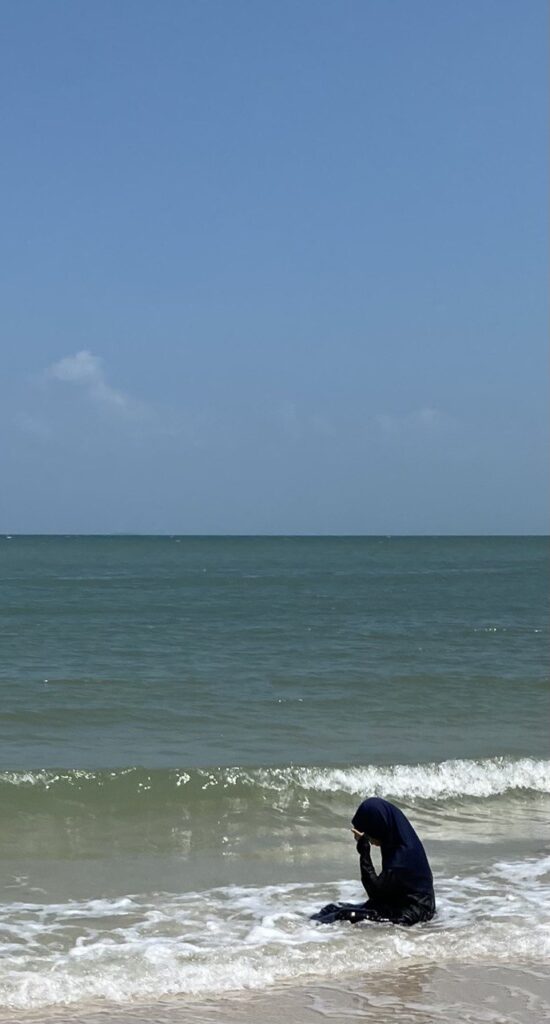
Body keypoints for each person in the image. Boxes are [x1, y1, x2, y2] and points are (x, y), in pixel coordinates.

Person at [311, 797, 436, 927]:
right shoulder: (396, 837)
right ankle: (305, 932)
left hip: (413, 912)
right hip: (395, 902)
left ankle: (314, 936)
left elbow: (375, 894)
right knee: (331, 909)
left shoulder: (402, 856)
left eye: (369, 835)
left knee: (344, 915)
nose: (369, 840)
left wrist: (364, 851)